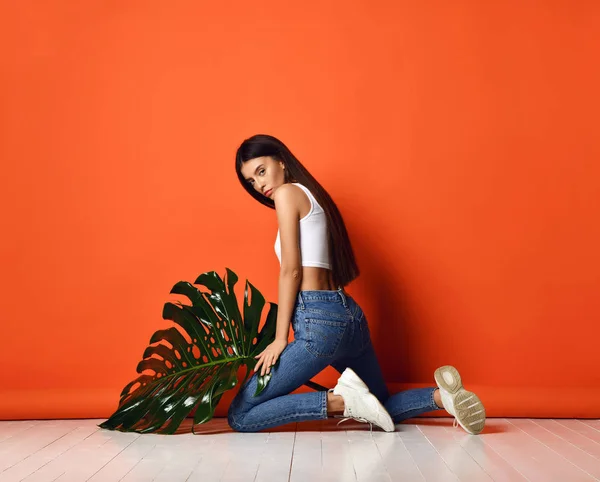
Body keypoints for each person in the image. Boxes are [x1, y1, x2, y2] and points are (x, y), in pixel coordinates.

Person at [228, 134, 486, 435]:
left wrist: (280, 338)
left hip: (319, 324)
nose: (259, 185)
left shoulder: (287, 193)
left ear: (281, 161)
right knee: (379, 404)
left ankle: (341, 402)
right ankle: (443, 397)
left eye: (261, 171)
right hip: (348, 316)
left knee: (241, 414)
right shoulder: (311, 195)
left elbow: (291, 271)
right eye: (251, 181)